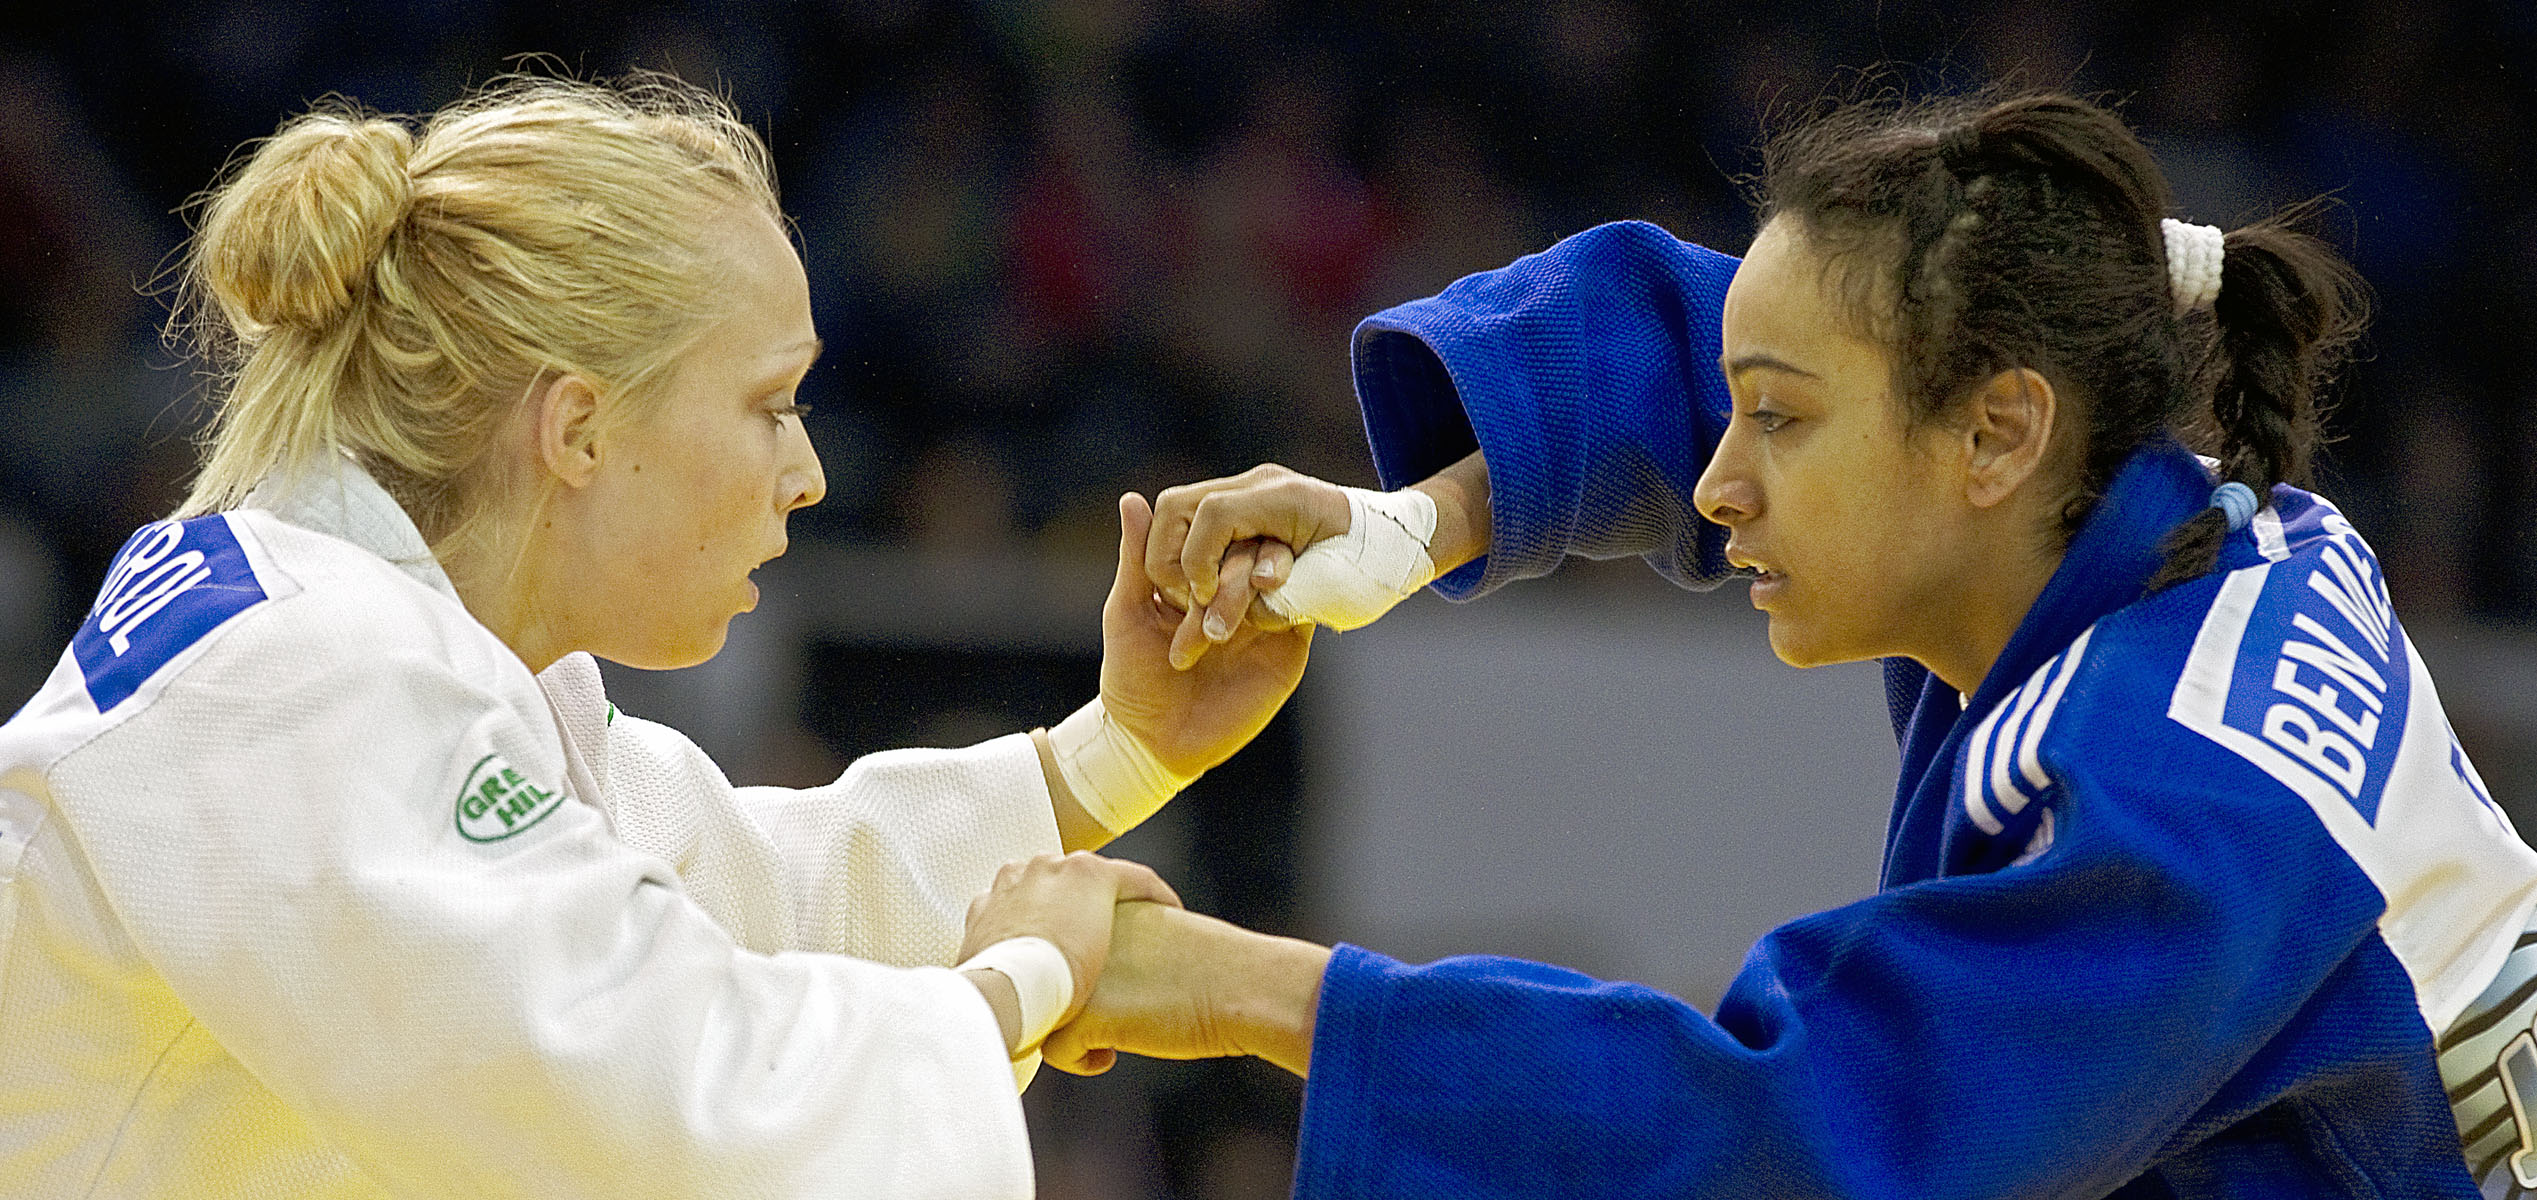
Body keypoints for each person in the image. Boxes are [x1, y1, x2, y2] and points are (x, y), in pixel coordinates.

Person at [991, 91, 2537, 1196]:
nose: (1726, 475)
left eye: (1779, 422)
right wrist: (1417, 522)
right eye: (1742, 407)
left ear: (1996, 430)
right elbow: (1712, 341)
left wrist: (1225, 988)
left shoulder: (2185, 807)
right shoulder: (2165, 525)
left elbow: (1787, 1132)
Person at [0, 74, 1310, 1198]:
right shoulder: (304, 679)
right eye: (770, 404)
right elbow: (688, 1111)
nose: (805, 473)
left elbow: (746, 891)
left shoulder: (373, 643)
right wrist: (1025, 979)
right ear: (577, 431)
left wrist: (1118, 751)